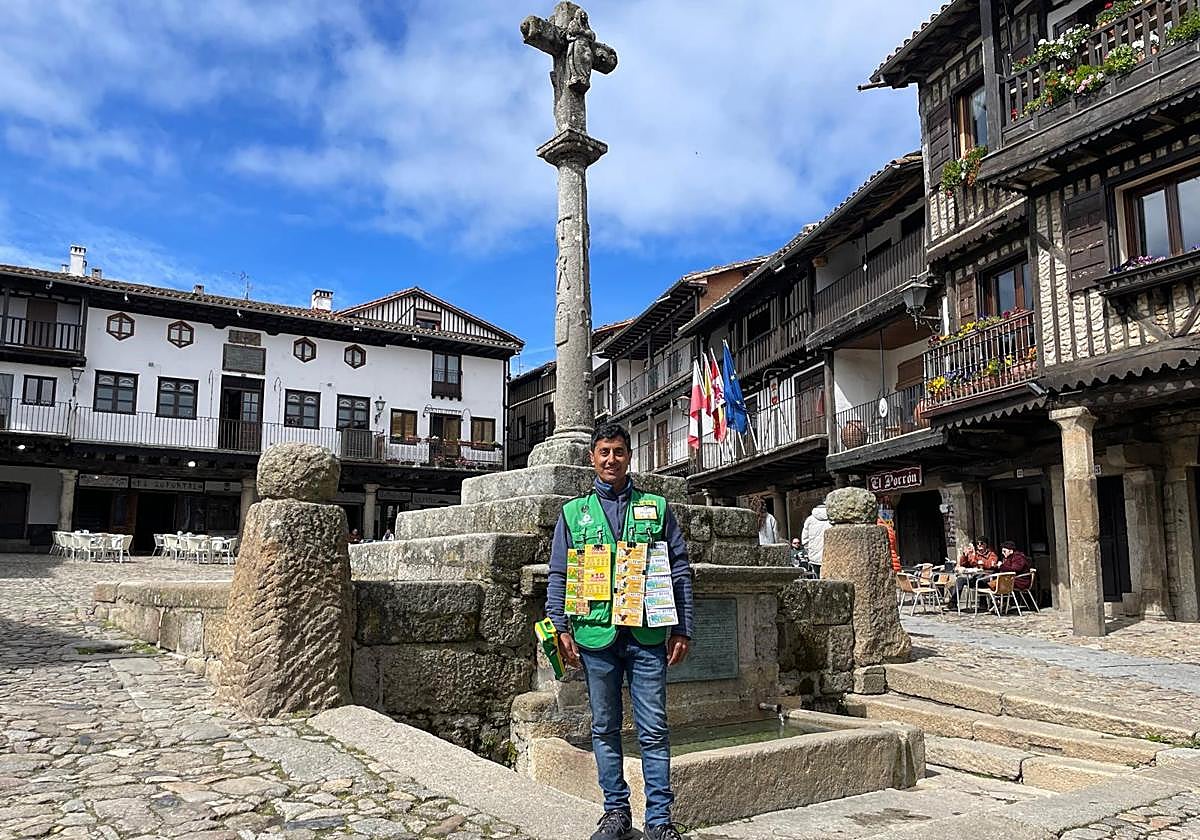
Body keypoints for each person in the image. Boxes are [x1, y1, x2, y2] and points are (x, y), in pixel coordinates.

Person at [545, 422, 694, 840]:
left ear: (630, 457)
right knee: (604, 728)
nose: (611, 460)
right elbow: (559, 573)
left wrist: (683, 627)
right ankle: (615, 813)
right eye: (604, 452)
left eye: (619, 452)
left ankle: (660, 821)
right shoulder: (574, 513)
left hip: (647, 636)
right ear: (592, 458)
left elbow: (680, 570)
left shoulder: (657, 508)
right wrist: (560, 626)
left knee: (654, 728)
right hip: (595, 635)